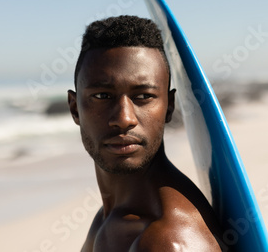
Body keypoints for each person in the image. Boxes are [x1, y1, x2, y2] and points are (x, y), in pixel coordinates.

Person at [67, 15, 225, 251]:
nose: (124, 119)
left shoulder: (167, 240)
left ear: (169, 107)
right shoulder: (110, 216)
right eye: (102, 96)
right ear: (74, 108)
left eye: (143, 96)